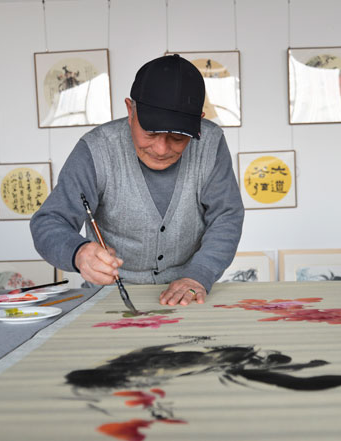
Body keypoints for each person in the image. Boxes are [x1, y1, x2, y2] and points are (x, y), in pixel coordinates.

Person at [30, 54, 244, 307]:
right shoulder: (97, 149)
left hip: (188, 293)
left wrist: (199, 274)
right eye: (150, 133)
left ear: (198, 120)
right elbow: (50, 221)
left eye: (178, 137)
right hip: (109, 296)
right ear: (131, 111)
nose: (162, 149)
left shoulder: (211, 143)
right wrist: (78, 253)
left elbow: (226, 215)